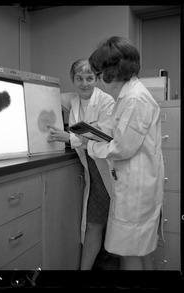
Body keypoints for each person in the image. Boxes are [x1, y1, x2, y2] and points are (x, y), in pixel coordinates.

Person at [80, 36, 164, 270]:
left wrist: (93, 145)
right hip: (135, 185)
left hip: (135, 189)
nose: (97, 82)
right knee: (140, 246)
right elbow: (116, 127)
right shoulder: (128, 95)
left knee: (130, 250)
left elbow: (122, 147)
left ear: (111, 73)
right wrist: (96, 131)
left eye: (97, 75)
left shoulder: (135, 99)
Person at [47, 59, 115, 270]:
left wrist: (69, 138)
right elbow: (48, 97)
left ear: (97, 78)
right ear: (73, 79)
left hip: (107, 167)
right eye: (79, 78)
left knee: (101, 225)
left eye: (89, 78)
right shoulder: (73, 100)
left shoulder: (106, 102)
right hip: (93, 169)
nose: (85, 83)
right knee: (95, 224)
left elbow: (103, 137)